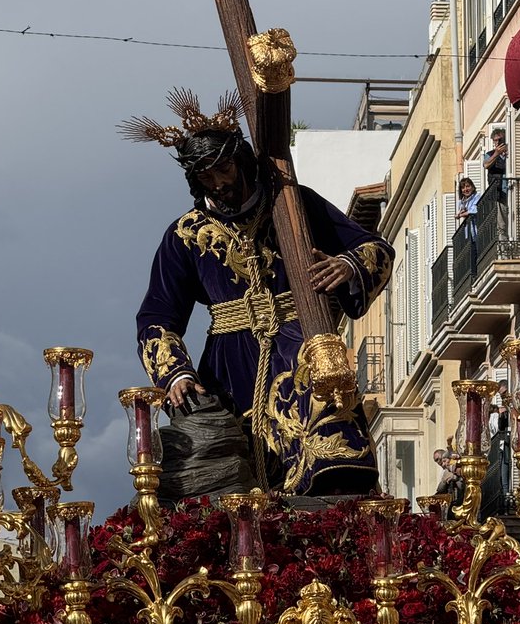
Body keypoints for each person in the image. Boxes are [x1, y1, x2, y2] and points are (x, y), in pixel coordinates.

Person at [120, 88, 394, 501]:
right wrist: (175, 372)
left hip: (299, 341)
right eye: (206, 176)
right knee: (225, 466)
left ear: (241, 160)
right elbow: (157, 315)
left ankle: (335, 516)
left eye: (223, 168)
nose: (219, 182)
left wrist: (348, 265)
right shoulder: (184, 235)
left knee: (328, 436)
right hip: (229, 360)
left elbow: (376, 248)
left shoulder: (292, 204)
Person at [483, 127, 509, 239]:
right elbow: (486, 165)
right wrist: (496, 154)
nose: (497, 142)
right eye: (495, 140)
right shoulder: (490, 154)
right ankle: (504, 252)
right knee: (501, 225)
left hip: (512, 190)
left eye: (500, 139)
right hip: (499, 193)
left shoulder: (512, 152)